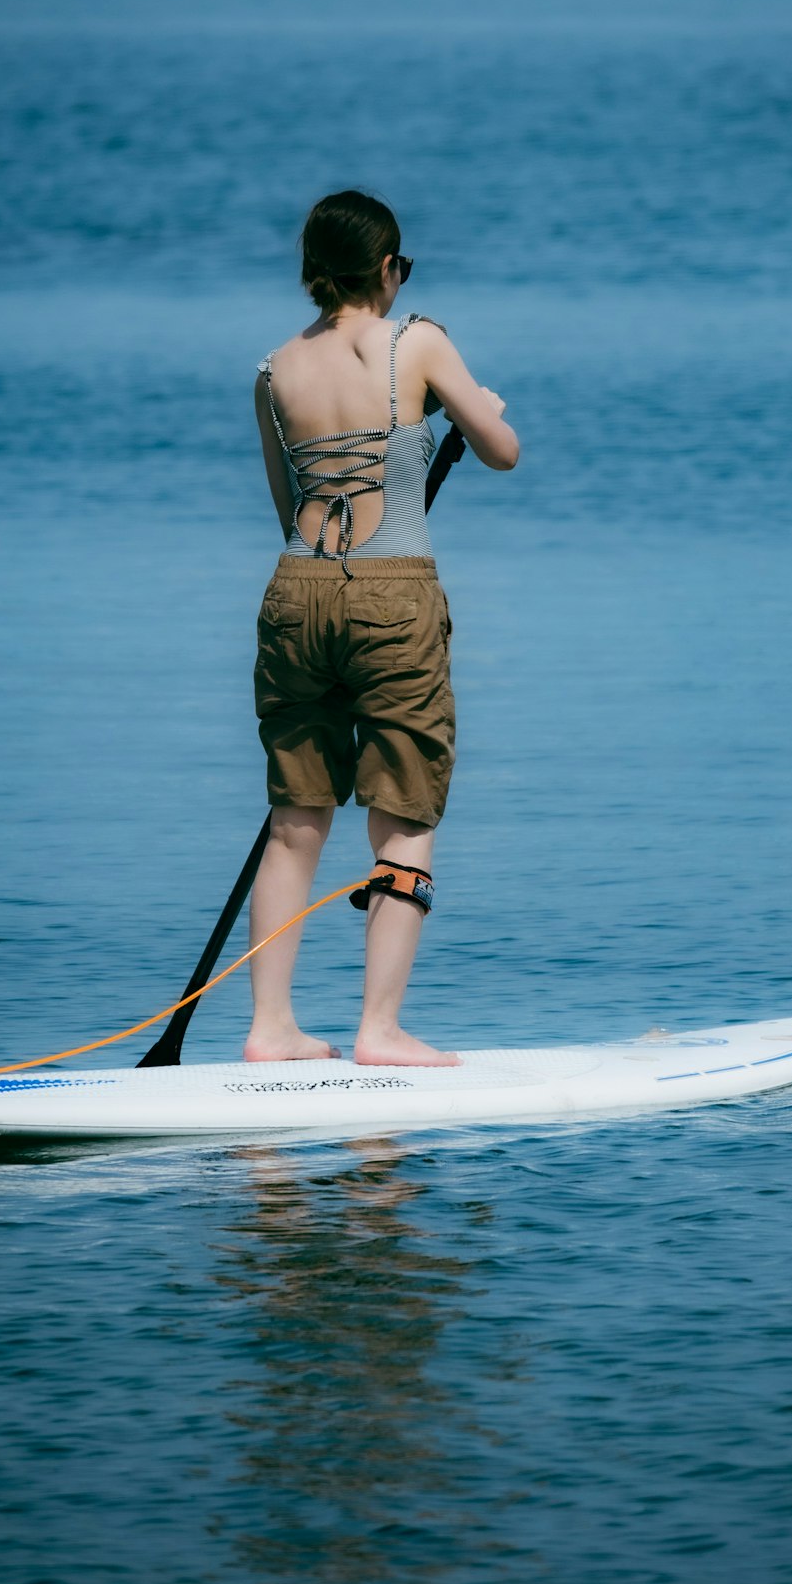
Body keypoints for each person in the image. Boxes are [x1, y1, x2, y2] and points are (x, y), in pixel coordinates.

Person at [247, 190, 520, 1066]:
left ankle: (269, 1030)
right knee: (404, 810)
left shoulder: (273, 369)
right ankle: (379, 1029)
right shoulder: (418, 342)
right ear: (389, 267)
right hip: (393, 596)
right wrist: (476, 406)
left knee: (297, 817)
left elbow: (290, 505)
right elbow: (502, 450)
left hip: (297, 592)